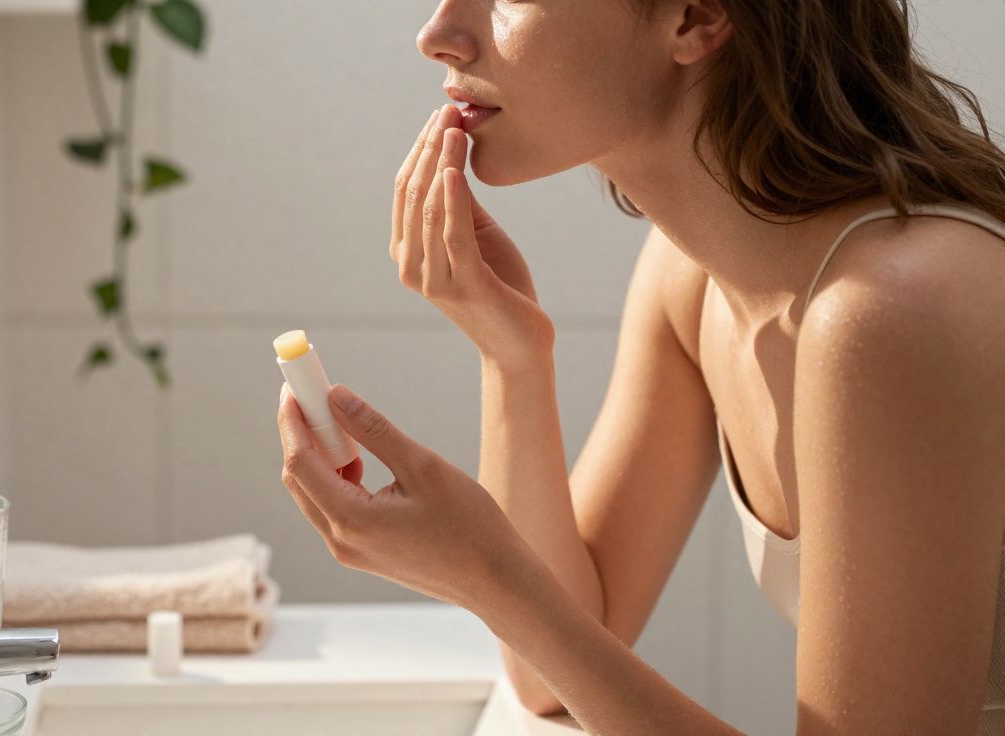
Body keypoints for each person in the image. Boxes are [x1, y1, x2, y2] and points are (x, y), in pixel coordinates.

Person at [274, 1, 1005, 732]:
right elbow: (543, 678)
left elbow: (545, 634)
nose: (436, 36)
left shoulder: (894, 310)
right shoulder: (692, 283)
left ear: (695, 17)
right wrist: (511, 357)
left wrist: (492, 577)